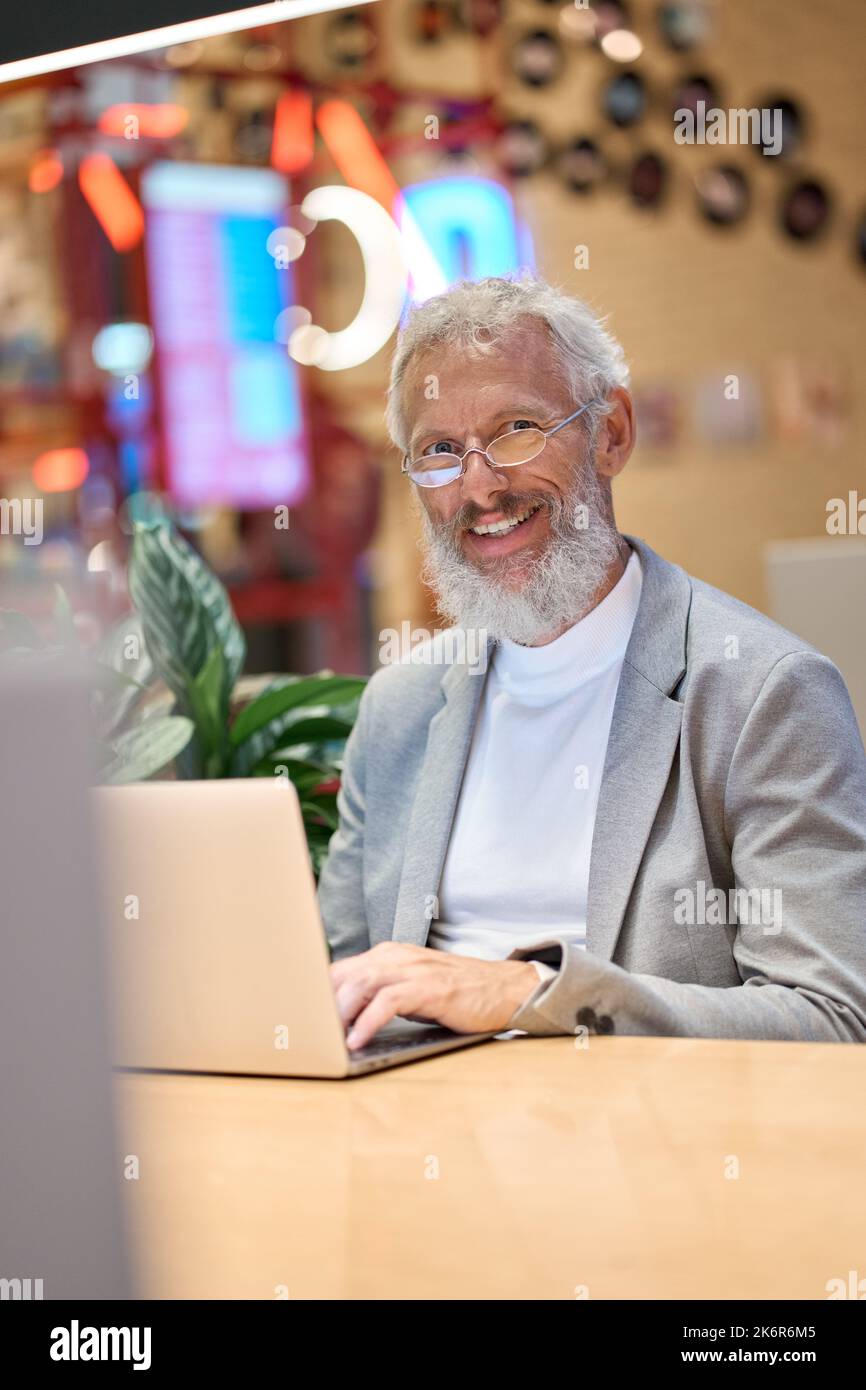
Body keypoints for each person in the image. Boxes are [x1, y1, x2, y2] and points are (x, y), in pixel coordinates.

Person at [318, 274, 866, 1050]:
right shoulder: (399, 707)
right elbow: (339, 981)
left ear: (611, 433)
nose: (481, 487)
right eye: (440, 451)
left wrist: (533, 993)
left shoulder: (761, 693)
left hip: (650, 1149)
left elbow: (835, 1019)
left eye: (517, 429)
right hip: (416, 1140)